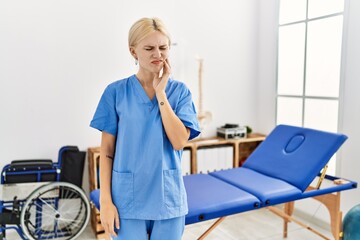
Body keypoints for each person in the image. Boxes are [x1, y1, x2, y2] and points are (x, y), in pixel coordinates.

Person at [90, 17, 201, 240]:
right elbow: (107, 152)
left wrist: (161, 94)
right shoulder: (115, 92)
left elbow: (179, 141)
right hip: (126, 201)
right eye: (149, 48)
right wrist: (106, 201)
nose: (157, 54)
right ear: (133, 51)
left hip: (167, 199)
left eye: (163, 48)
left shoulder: (179, 93)